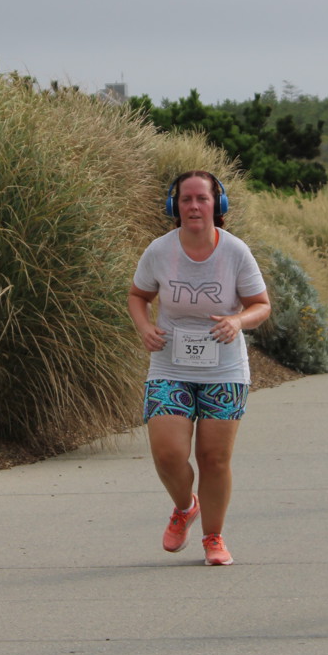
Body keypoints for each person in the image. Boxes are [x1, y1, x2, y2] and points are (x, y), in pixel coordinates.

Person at [127, 171, 271, 566]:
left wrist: (237, 321)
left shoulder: (235, 252)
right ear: (174, 206)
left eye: (201, 198)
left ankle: (213, 537)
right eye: (186, 199)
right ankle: (185, 506)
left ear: (217, 204)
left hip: (224, 370)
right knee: (168, 454)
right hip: (169, 365)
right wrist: (144, 327)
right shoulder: (159, 251)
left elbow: (261, 305)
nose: (193, 206)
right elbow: (138, 295)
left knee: (213, 459)